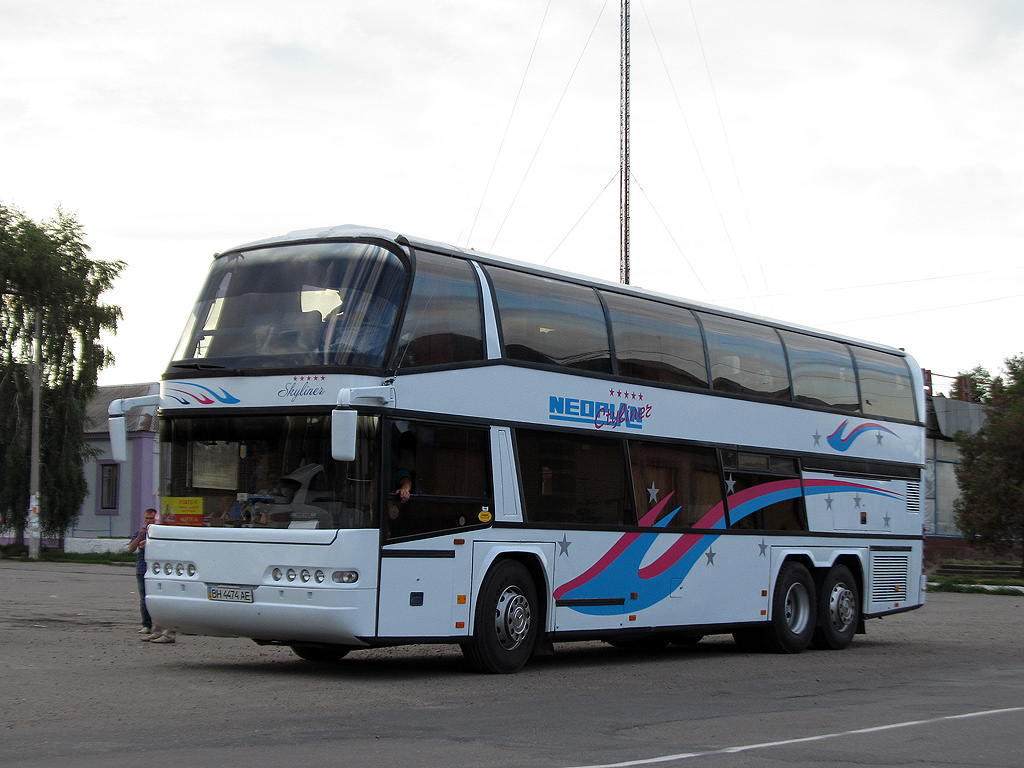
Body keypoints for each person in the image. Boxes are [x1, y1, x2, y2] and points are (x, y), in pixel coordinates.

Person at [128, 508, 156, 636]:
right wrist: (140, 536)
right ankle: (146, 624)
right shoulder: (140, 532)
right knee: (143, 598)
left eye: (151, 518)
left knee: (155, 598)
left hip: (155, 569)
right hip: (142, 568)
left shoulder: (159, 533)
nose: (149, 521)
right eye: (147, 518)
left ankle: (158, 625)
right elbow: (131, 549)